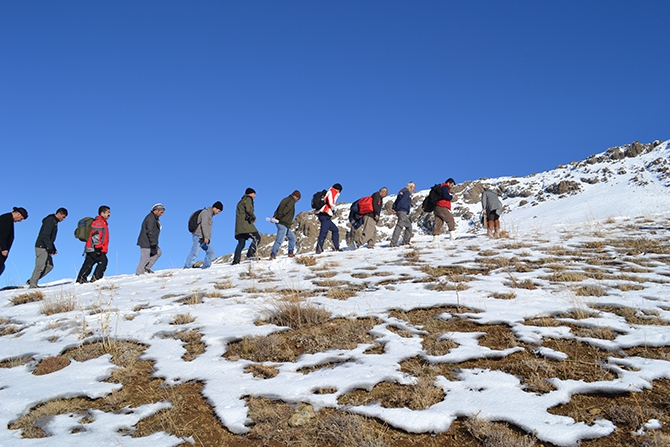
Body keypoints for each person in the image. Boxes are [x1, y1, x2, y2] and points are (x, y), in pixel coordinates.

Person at [28, 208, 67, 288]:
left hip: (46, 246)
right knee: (40, 266)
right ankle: (33, 284)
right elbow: (45, 236)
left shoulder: (54, 222)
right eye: (63, 217)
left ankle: (32, 280)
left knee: (50, 266)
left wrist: (53, 248)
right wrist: (50, 248)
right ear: (59, 213)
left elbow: (50, 238)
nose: (63, 219)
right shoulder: (50, 221)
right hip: (42, 246)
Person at [76, 206, 111, 283]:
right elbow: (96, 235)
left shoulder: (102, 222)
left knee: (89, 263)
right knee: (103, 261)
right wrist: (98, 247)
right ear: (102, 213)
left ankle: (80, 279)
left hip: (91, 247)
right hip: (95, 248)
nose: (109, 214)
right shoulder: (99, 222)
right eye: (107, 212)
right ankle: (96, 279)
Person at [184, 201, 223, 269]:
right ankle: (187, 266)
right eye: (218, 211)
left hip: (203, 237)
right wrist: (206, 237)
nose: (218, 213)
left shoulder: (209, 215)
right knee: (194, 252)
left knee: (211, 251)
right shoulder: (205, 213)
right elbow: (204, 225)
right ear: (214, 208)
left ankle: (206, 266)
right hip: (199, 236)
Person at [269, 190, 301, 260]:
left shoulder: (285, 199)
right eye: (298, 199)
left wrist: (275, 216)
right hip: (283, 223)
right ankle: (273, 255)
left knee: (292, 237)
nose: (297, 201)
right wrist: (278, 217)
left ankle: (290, 252)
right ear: (296, 197)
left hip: (283, 223)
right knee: (279, 240)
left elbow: (278, 208)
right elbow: (285, 210)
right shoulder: (291, 201)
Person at [233, 189, 260, 265]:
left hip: (239, 226)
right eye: (254, 194)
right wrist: (253, 217)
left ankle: (236, 260)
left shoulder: (241, 201)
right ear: (251, 194)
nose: (255, 196)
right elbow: (248, 210)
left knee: (241, 243)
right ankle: (250, 254)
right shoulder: (248, 199)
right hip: (246, 225)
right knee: (257, 237)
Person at [136, 203, 165, 275]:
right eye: (161, 212)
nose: (162, 214)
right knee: (145, 258)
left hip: (151, 241)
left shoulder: (155, 218)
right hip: (146, 242)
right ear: (156, 210)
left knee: (158, 252)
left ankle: (147, 267)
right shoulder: (150, 218)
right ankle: (139, 273)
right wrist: (153, 243)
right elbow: (150, 231)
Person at [0, 207, 28, 277]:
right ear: (18, 214)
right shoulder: (5, 219)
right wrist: (3, 248)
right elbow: (1, 234)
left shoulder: (8, 219)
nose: (20, 221)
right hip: (1, 249)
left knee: (1, 267)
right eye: (21, 218)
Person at [315, 183, 342, 254]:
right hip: (325, 214)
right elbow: (330, 201)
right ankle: (319, 249)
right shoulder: (332, 192)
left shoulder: (329, 191)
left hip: (324, 215)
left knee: (335, 230)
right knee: (323, 232)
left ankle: (336, 247)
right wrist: (333, 208)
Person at [390, 182, 416, 247]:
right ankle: (393, 243)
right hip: (402, 211)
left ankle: (405, 241)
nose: (414, 189)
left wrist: (394, 208)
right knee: (399, 226)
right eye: (413, 188)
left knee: (409, 226)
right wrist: (396, 209)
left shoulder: (402, 191)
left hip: (400, 211)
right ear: (410, 187)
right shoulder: (407, 192)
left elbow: (397, 201)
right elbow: (402, 201)